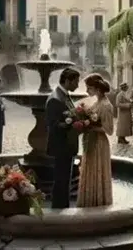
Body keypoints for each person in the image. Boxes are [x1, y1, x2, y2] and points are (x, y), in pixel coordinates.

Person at [45, 68, 80, 209]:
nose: (77, 85)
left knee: (65, 180)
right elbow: (52, 126)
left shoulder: (64, 95)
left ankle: (63, 207)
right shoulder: (55, 98)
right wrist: (71, 122)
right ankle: (58, 209)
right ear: (67, 81)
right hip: (61, 147)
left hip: (67, 146)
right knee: (61, 181)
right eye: (75, 82)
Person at [77, 74, 114, 207]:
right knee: (90, 171)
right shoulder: (97, 102)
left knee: (97, 171)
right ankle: (90, 199)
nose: (87, 91)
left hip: (99, 143)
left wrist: (90, 126)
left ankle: (99, 201)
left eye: (89, 88)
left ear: (97, 89)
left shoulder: (105, 105)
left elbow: (109, 130)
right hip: (91, 141)